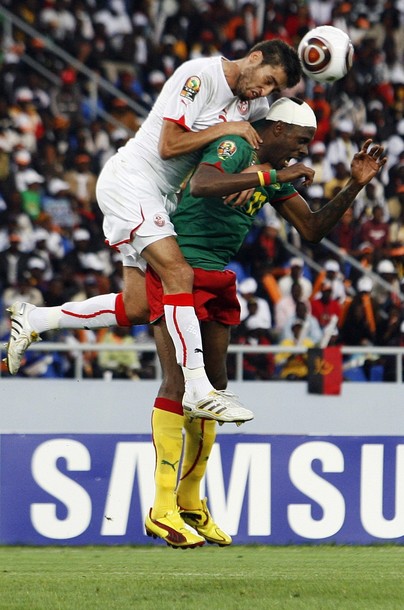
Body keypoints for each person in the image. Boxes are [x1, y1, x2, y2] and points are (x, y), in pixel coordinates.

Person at [5, 40, 302, 426]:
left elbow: (266, 141)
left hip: (160, 197)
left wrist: (258, 170)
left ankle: (35, 319)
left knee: (138, 306)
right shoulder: (200, 76)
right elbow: (168, 145)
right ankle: (199, 389)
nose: (265, 91)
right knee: (179, 274)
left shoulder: (253, 104)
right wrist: (228, 128)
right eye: (268, 80)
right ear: (255, 58)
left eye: (274, 89)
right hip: (133, 181)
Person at [142, 98, 386, 547]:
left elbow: (311, 230)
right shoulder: (238, 146)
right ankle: (161, 507)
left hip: (215, 273)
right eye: (300, 140)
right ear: (276, 129)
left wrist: (354, 185)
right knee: (178, 383)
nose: (302, 150)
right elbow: (204, 183)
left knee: (214, 388)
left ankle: (190, 500)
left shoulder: (271, 172)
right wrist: (270, 176)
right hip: (177, 268)